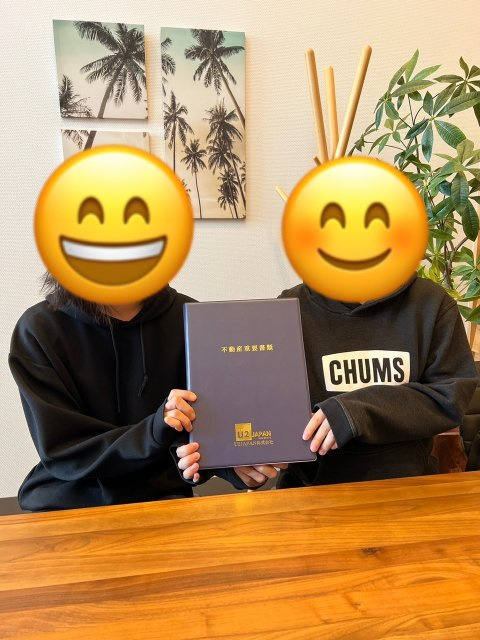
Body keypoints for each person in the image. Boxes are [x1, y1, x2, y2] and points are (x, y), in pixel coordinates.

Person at [9, 276, 281, 511]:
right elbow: (65, 452)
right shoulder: (39, 329)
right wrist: (154, 429)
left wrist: (234, 465)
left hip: (163, 502)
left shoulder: (191, 318)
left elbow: (203, 430)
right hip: (67, 504)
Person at [178, 275, 478, 486]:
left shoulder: (431, 304)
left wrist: (355, 411)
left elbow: (450, 396)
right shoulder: (289, 306)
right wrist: (243, 463)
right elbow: (264, 405)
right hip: (310, 495)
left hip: (405, 490)